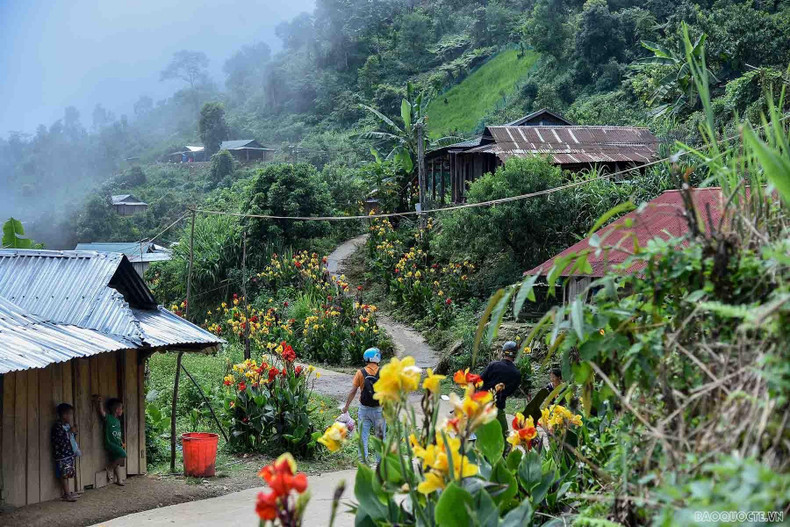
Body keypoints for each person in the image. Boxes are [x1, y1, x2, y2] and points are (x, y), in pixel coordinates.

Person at [341, 347, 385, 463]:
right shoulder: (383, 372)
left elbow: (353, 391)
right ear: (376, 357)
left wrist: (346, 407)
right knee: (380, 438)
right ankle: (380, 463)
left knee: (363, 437)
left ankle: (363, 462)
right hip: (379, 409)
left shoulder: (360, 372)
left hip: (364, 410)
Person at [480, 341, 522, 442]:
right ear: (515, 355)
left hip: (481, 406)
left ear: (503, 352)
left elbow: (480, 380)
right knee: (504, 438)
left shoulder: (493, 365)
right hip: (498, 408)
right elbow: (510, 392)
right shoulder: (516, 374)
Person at [52, 403, 80, 502]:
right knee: (64, 474)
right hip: (62, 455)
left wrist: (73, 432)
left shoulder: (66, 425)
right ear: (64, 415)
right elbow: (60, 439)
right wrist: (70, 432)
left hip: (68, 453)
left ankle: (67, 492)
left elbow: (71, 439)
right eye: (70, 414)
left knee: (67, 473)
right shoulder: (57, 426)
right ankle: (67, 494)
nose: (71, 416)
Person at [96, 396, 126, 486]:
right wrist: (100, 403)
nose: (122, 410)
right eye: (121, 408)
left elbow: (118, 432)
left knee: (116, 461)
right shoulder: (109, 418)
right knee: (123, 455)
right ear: (117, 409)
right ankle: (109, 468)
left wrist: (121, 442)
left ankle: (119, 480)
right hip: (110, 443)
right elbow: (102, 412)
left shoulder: (117, 421)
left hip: (117, 443)